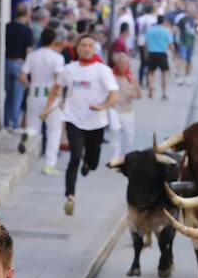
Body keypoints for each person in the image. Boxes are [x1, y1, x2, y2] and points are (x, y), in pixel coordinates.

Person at [52, 33, 118, 216]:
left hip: (96, 122)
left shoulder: (103, 70)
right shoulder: (69, 69)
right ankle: (70, 196)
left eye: (90, 45)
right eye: (83, 45)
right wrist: (52, 104)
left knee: (93, 160)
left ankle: (88, 164)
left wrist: (102, 106)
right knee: (74, 157)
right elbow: (56, 87)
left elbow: (114, 96)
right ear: (77, 49)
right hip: (73, 119)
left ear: (94, 49)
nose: (87, 48)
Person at [19, 26, 66, 161]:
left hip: (34, 93)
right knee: (54, 131)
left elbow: (22, 76)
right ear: (54, 41)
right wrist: (60, 98)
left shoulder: (32, 55)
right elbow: (58, 80)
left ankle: (28, 134)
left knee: (33, 125)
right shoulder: (57, 58)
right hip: (51, 95)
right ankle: (50, 163)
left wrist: (30, 87)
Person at [3, 3, 34, 131]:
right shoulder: (27, 30)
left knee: (8, 94)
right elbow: (29, 51)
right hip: (19, 63)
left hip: (7, 62)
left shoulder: (8, 27)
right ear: (27, 14)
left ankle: (6, 121)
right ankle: (15, 123)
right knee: (17, 95)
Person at [110, 50, 141, 155]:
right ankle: (115, 157)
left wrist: (135, 95)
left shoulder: (131, 78)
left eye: (125, 63)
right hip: (113, 108)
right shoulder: (111, 76)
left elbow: (139, 94)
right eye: (121, 62)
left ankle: (126, 156)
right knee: (115, 131)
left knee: (129, 136)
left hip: (127, 109)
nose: (123, 65)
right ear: (117, 63)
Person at [143, 16, 173, 100]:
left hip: (152, 52)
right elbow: (170, 44)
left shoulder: (150, 30)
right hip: (162, 53)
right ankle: (163, 92)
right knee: (164, 74)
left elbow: (146, 42)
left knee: (151, 72)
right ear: (163, 22)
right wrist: (173, 53)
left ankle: (151, 88)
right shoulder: (166, 31)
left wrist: (146, 52)